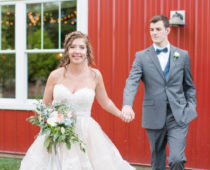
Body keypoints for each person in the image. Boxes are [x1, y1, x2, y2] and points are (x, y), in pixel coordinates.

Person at [20, 31, 135, 170]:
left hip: (86, 133)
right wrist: (49, 126)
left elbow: (105, 102)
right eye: (73, 47)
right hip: (58, 133)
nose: (77, 51)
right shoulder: (55, 75)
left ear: (87, 51)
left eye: (81, 47)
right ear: (67, 50)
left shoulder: (95, 75)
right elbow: (44, 105)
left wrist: (120, 114)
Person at [122, 15, 197, 170]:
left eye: (158, 29)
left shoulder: (182, 55)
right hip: (153, 114)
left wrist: (190, 107)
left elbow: (189, 85)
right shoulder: (141, 56)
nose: (154, 33)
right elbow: (132, 81)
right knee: (157, 161)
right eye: (151, 30)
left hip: (178, 115)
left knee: (177, 159)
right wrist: (127, 104)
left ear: (167, 30)